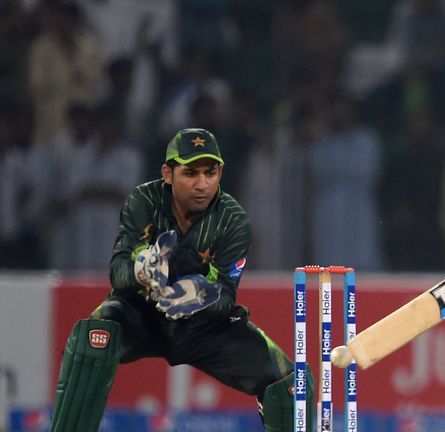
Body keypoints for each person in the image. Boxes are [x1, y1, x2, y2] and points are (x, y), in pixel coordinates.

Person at [49, 128, 312, 431]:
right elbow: (118, 271)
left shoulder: (233, 221)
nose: (202, 184)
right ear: (168, 173)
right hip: (142, 313)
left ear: (220, 173)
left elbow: (227, 296)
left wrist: (200, 295)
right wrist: (140, 271)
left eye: (210, 173)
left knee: (293, 383)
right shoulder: (144, 200)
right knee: (93, 337)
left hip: (205, 327)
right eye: (190, 173)